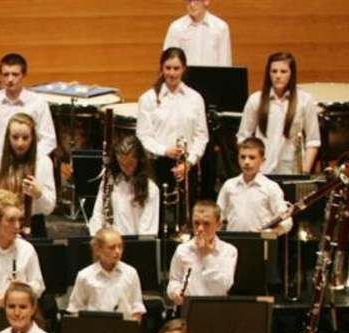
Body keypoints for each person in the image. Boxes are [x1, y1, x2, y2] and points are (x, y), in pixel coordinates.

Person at [138, 48, 210, 234]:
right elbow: (143, 136)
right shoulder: (148, 99)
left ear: (183, 69)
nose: (171, 73)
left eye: (176, 68)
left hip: (186, 166)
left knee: (186, 218)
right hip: (158, 165)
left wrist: (190, 162)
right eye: (168, 68)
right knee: (158, 216)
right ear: (161, 69)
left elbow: (201, 135)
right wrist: (164, 150)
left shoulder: (195, 98)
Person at [0, 112, 55, 237]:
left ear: (33, 139)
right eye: (15, 137)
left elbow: (49, 208)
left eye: (25, 138)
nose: (20, 143)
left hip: (32, 228)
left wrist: (39, 194)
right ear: (7, 138)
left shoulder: (43, 162)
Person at [238, 52, 319, 175]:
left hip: (292, 172)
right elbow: (243, 137)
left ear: (291, 74)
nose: (278, 76)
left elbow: (313, 141)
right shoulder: (255, 99)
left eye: (283, 71)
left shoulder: (305, 100)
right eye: (274, 71)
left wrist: (305, 171)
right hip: (262, 172)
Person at [0, 53, 58, 163]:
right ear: (1, 75)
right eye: (6, 74)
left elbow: (49, 139)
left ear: (23, 75)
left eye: (15, 74)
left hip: (31, 165)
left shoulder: (38, 102)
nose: (10, 79)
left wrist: (29, 159)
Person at [166, 201, 237, 307]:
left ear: (219, 225)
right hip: (189, 308)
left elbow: (223, 286)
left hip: (217, 308)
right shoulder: (182, 250)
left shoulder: (228, 251)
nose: (200, 229)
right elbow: (174, 280)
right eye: (196, 223)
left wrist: (206, 255)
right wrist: (175, 292)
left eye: (206, 224)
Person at [88, 134, 160, 237]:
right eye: (122, 164)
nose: (126, 168)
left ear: (139, 160)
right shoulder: (109, 181)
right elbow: (97, 215)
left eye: (130, 163)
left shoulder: (151, 189)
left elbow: (147, 231)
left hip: (135, 247)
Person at [66, 227, 146, 319]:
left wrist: (132, 325)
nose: (117, 251)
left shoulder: (130, 273)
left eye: (120, 246)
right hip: (94, 329)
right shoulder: (84, 275)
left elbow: (137, 307)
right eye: (111, 247)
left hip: (124, 329)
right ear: (98, 250)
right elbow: (75, 309)